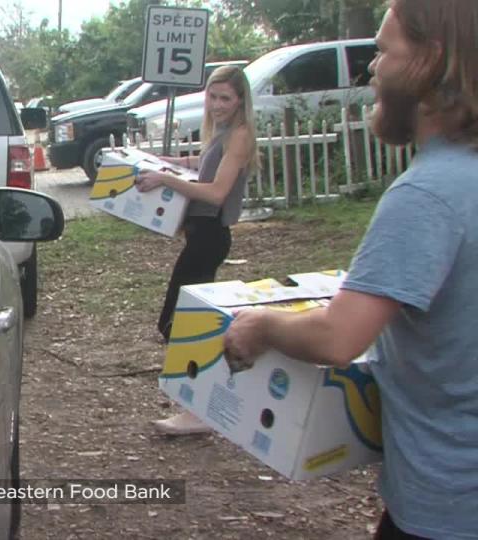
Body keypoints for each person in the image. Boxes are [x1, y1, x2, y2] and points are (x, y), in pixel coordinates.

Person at [223, 1, 478, 538]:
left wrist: (259, 326)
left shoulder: (426, 195)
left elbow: (339, 338)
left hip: (447, 508)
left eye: (384, 51)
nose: (371, 69)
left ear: (429, 62)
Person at [135, 65, 259, 435]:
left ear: (240, 100)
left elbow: (216, 192)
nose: (217, 104)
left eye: (226, 98)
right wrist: (173, 163)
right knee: (181, 321)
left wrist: (165, 179)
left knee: (182, 324)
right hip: (199, 235)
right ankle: (200, 405)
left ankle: (200, 411)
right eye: (213, 96)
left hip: (210, 237)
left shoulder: (240, 135)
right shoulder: (223, 132)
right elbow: (205, 168)